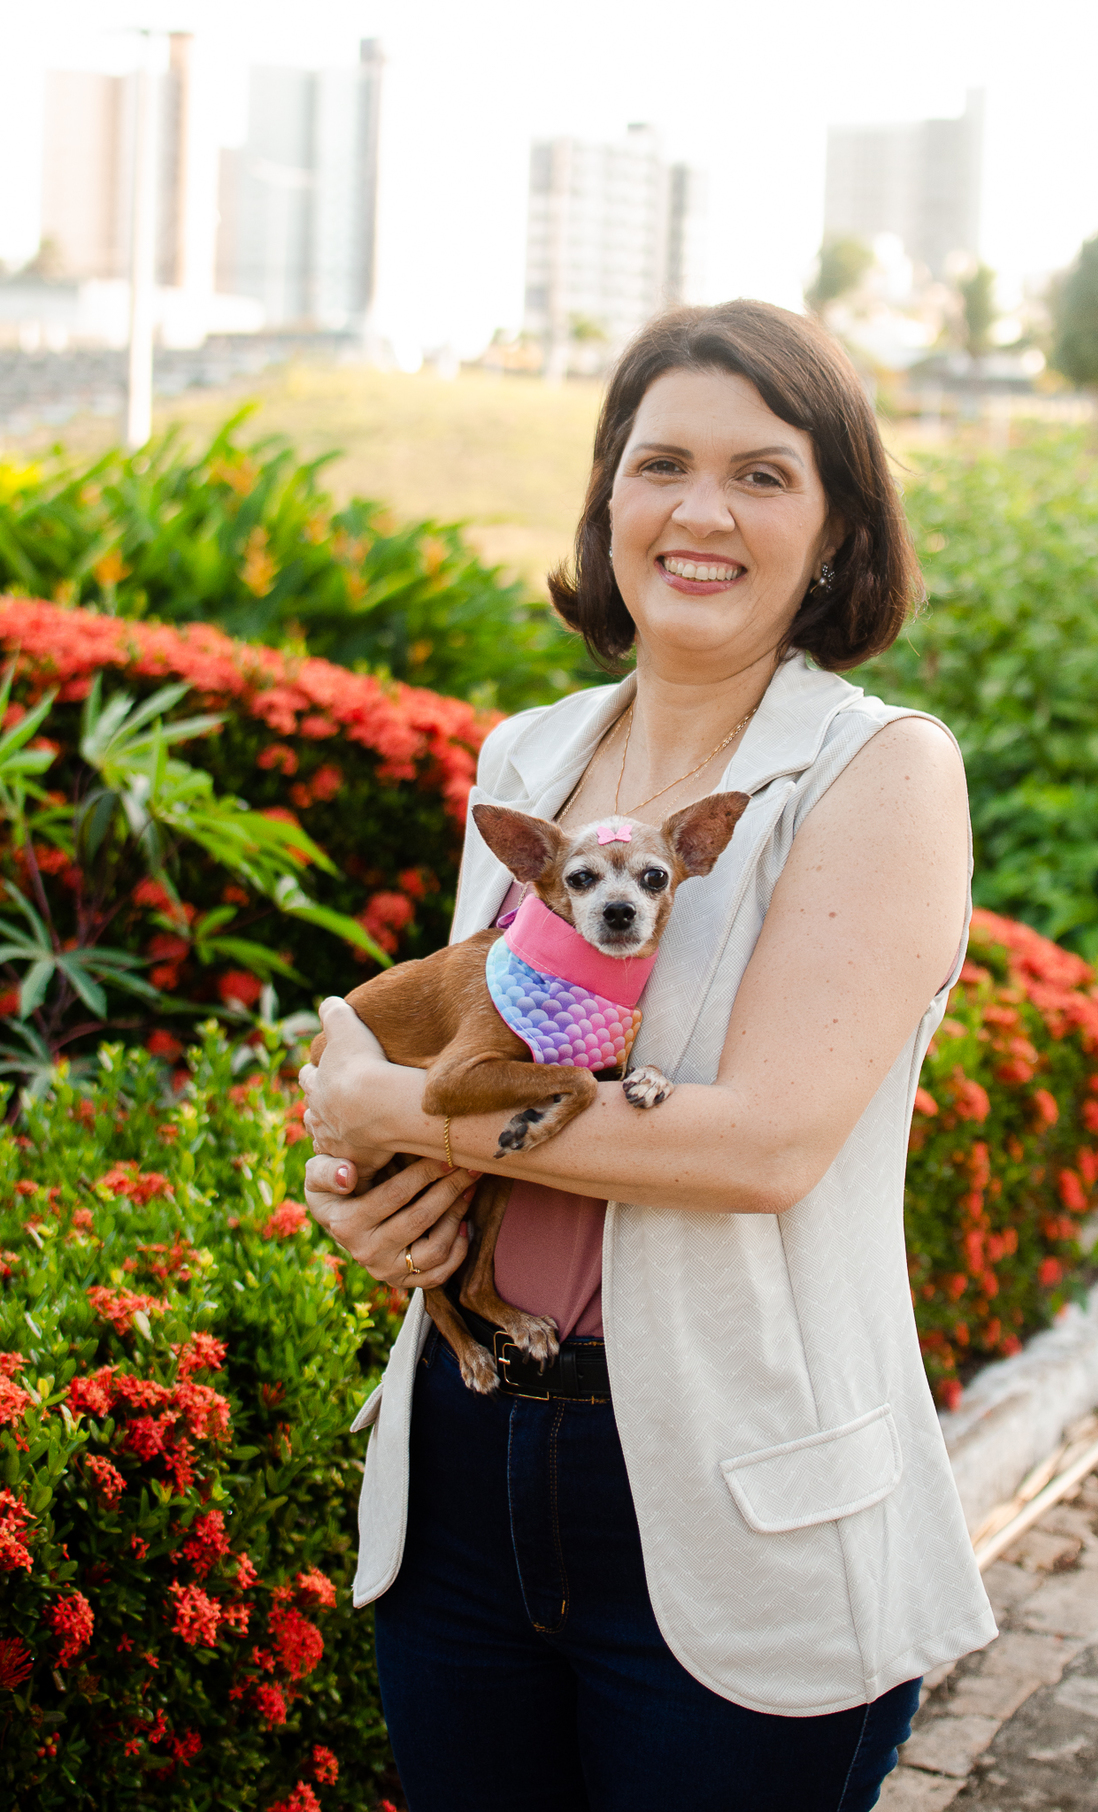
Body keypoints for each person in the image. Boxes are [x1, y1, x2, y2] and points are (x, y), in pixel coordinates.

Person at [301, 299, 997, 1812]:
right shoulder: (528, 760)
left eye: (764, 473)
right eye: (659, 461)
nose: (699, 510)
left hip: (739, 1495)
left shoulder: (879, 772)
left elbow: (759, 1148)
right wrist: (363, 1178)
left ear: (838, 530)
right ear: (608, 493)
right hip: (465, 1468)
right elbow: (470, 1051)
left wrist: (399, 1104)